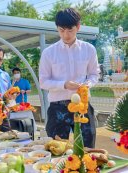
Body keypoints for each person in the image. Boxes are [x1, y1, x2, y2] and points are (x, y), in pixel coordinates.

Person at [39, 8, 99, 148]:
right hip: (57, 107)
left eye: (70, 30)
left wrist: (87, 85)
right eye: (61, 30)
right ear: (57, 29)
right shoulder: (49, 53)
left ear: (78, 27)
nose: (66, 35)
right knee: (57, 148)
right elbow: (43, 81)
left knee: (87, 148)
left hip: (83, 106)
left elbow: (94, 74)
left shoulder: (89, 49)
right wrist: (64, 84)